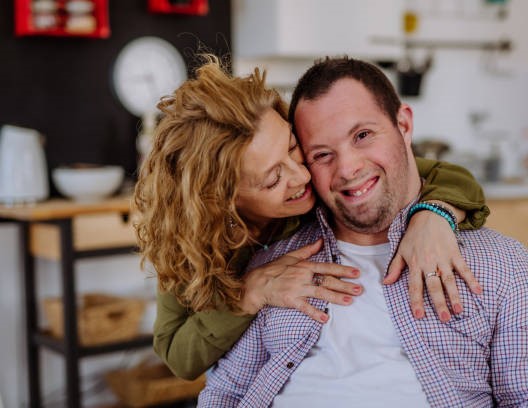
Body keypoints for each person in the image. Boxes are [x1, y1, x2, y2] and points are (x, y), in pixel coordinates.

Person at [133, 55, 489, 381]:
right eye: (273, 178)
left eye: (292, 147)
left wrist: (435, 214)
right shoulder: (191, 240)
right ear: (223, 200)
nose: (301, 177)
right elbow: (177, 356)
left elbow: (445, 175)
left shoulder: (321, 178)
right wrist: (249, 294)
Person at [198, 57, 528, 407]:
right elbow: (224, 393)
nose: (348, 168)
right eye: (322, 154)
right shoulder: (273, 269)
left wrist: (436, 211)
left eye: (363, 135)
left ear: (403, 124)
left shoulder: (503, 267)